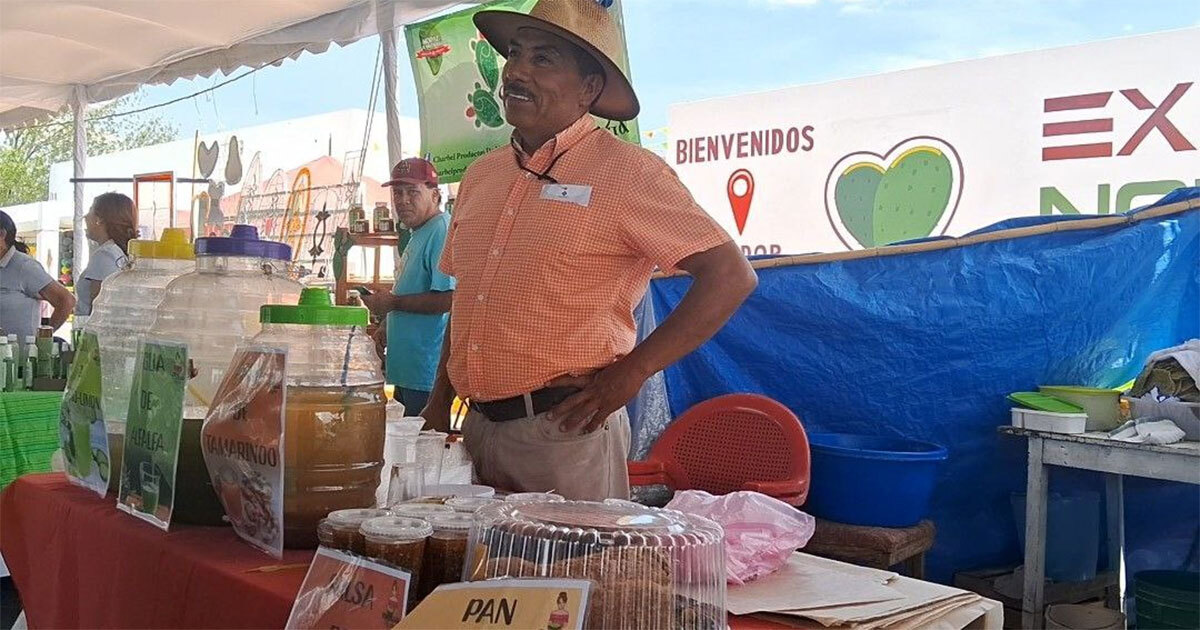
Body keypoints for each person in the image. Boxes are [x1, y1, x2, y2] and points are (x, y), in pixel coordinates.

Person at [420, 0, 757, 500]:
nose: (515, 71)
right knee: (482, 576)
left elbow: (731, 276)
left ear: (589, 89)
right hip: (476, 432)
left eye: (543, 59)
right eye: (514, 54)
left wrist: (634, 371)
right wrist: (437, 398)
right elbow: (470, 299)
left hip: (564, 435)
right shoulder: (481, 176)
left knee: (571, 576)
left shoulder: (629, 172)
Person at [361, 158, 455, 414]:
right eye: (397, 193)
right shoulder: (420, 233)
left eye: (412, 192)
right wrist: (386, 326)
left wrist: (392, 303)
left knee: (419, 446)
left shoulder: (440, 230)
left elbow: (448, 298)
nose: (402, 200)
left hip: (426, 370)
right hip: (408, 368)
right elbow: (413, 290)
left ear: (435, 195)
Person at [0, 210, 76, 341]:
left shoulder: (24, 266)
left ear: (2, 235)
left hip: (18, 357)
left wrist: (42, 339)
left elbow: (66, 301)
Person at [76, 192, 137, 321]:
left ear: (100, 219)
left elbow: (97, 308)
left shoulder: (104, 256)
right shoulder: (118, 253)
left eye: (90, 211)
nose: (85, 217)